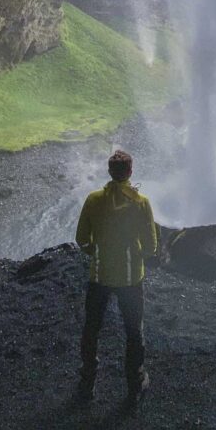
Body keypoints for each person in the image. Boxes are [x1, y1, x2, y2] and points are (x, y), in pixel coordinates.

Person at [75, 149, 158, 403]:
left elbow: (81, 239)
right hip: (131, 278)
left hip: (99, 276)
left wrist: (97, 253)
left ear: (109, 172)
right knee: (134, 331)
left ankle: (87, 382)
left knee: (92, 329)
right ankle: (135, 383)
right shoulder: (140, 202)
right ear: (130, 172)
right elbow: (151, 245)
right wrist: (137, 256)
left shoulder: (93, 199)